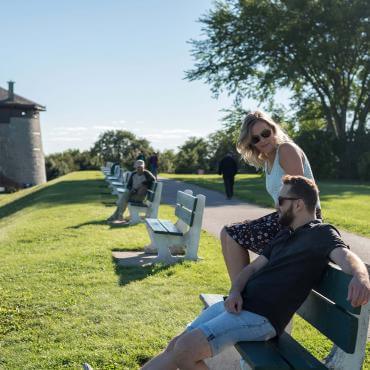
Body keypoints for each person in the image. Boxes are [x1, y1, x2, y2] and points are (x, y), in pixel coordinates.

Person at [137, 175, 370, 370]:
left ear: (298, 204)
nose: (276, 206)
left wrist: (361, 277)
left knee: (186, 350)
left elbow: (347, 256)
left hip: (261, 317)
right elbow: (251, 268)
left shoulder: (321, 233)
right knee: (175, 346)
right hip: (240, 305)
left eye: (281, 200)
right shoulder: (285, 234)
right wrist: (236, 291)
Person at [221, 110, 321, 284]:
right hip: (285, 218)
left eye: (265, 133)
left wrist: (284, 224)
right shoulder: (269, 160)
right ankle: (238, 295)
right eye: (256, 138)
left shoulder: (286, 149)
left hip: (302, 222)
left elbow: (299, 194)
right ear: (251, 143)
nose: (262, 140)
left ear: (274, 130)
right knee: (226, 233)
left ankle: (240, 296)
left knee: (231, 234)